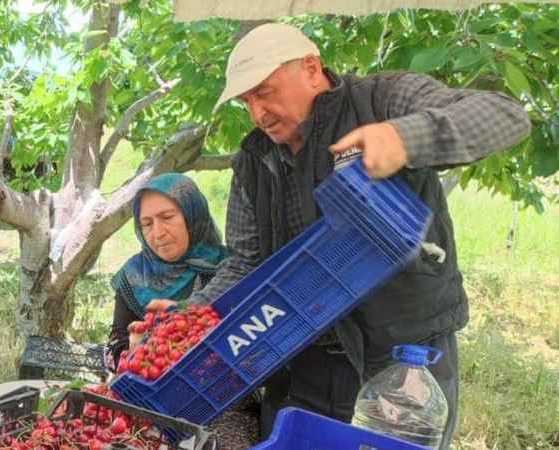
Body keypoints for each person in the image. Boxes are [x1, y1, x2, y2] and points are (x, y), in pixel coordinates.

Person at [145, 23, 531, 449]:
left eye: (266, 92)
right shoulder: (253, 160)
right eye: (247, 101)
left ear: (311, 68)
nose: (258, 113)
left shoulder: (382, 101)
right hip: (303, 356)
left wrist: (403, 137)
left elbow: (505, 115)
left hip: (401, 357)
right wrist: (196, 313)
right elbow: (245, 261)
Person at [106, 173, 261, 448]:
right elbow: (114, 347)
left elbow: (254, 346)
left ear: (192, 214)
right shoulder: (133, 276)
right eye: (146, 223)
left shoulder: (232, 270)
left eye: (167, 217)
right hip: (153, 406)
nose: (157, 233)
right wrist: (130, 349)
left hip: (224, 406)